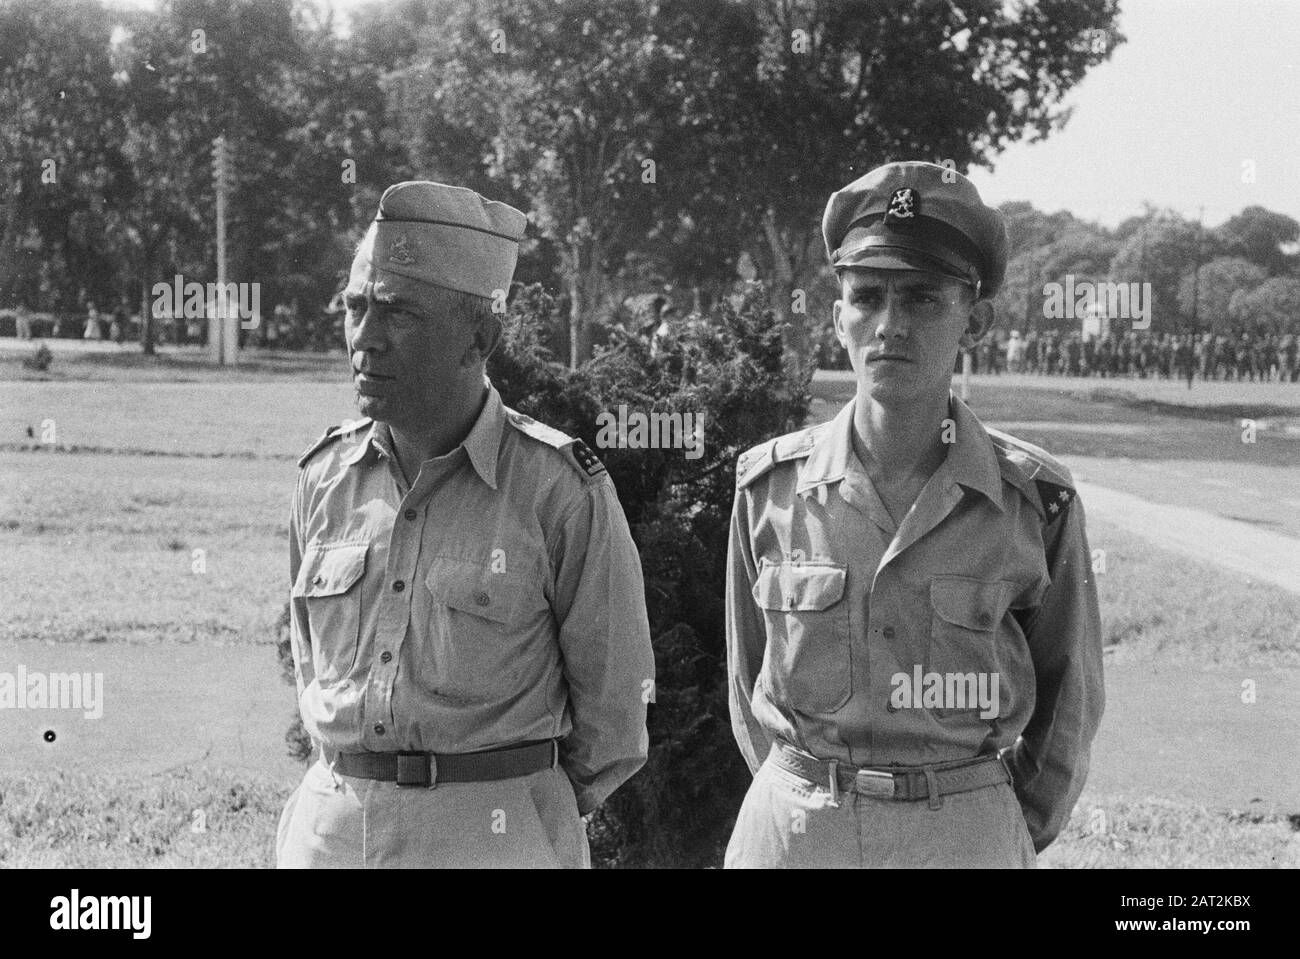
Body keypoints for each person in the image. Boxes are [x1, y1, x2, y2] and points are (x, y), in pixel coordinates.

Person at [725, 161, 1104, 868]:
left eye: (924, 299)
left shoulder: (1033, 503)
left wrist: (996, 826)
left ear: (976, 320)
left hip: (962, 836)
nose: (889, 326)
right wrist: (807, 796)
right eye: (866, 297)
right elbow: (749, 689)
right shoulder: (769, 488)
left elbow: (1069, 707)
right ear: (838, 316)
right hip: (797, 835)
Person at [276, 181, 655, 868]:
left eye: (398, 312)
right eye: (356, 307)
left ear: (479, 336)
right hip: (333, 835)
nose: (365, 337)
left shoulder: (557, 491)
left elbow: (617, 719)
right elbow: (310, 667)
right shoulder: (323, 479)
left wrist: (496, 803)